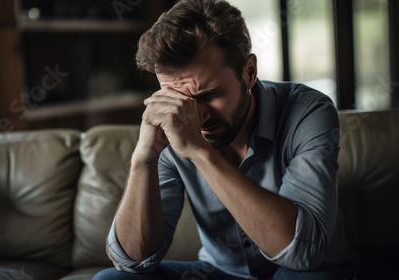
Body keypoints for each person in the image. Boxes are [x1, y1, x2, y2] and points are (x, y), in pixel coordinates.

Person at [93, 0, 359, 279]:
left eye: (208, 95)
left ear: (249, 72)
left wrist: (199, 152)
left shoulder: (308, 111)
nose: (196, 116)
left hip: (305, 272)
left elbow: (304, 254)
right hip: (218, 273)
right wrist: (143, 160)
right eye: (180, 98)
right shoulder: (172, 123)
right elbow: (133, 262)